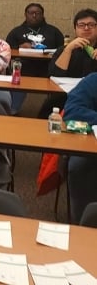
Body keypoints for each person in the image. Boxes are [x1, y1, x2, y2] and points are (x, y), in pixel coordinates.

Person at [5, 3, 64, 114]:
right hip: (24, 66)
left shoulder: (53, 31)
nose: (34, 15)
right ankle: (13, 110)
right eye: (31, 13)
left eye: (38, 13)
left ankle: (52, 112)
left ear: (43, 15)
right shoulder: (16, 31)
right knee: (17, 78)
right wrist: (19, 48)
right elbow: (7, 49)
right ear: (25, 15)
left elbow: (62, 50)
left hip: (47, 67)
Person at [38, 9, 97, 118]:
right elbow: (54, 75)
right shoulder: (64, 49)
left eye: (91, 25)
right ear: (75, 29)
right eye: (81, 25)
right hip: (64, 95)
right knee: (49, 107)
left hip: (94, 97)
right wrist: (69, 49)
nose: (86, 28)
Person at [64, 72, 97, 223]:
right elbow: (72, 110)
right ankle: (83, 224)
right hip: (91, 145)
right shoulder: (93, 81)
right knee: (78, 166)